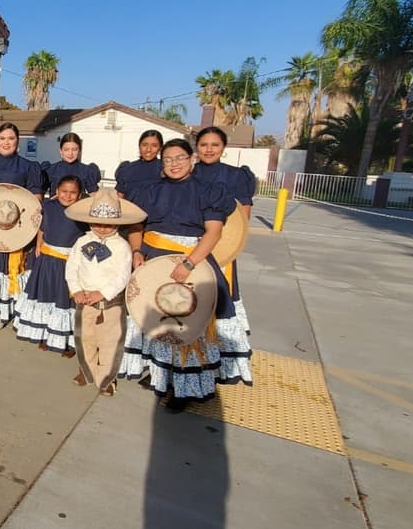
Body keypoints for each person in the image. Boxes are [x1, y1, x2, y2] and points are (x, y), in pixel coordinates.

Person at [119, 138, 252, 407]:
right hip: (154, 260)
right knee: (157, 317)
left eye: (179, 158)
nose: (174, 164)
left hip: (193, 260)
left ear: (191, 159)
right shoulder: (148, 190)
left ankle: (187, 388)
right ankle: (162, 374)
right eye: (168, 160)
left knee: (188, 321)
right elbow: (136, 228)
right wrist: (136, 252)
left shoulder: (208, 190)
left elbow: (213, 232)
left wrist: (189, 263)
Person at [64, 189, 143, 396]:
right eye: (97, 223)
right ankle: (87, 371)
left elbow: (123, 276)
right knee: (85, 338)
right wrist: (76, 290)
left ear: (117, 223)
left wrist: (104, 293)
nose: (102, 228)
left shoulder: (122, 246)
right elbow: (71, 268)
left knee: (110, 342)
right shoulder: (81, 242)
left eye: (108, 224)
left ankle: (107, 378)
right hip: (84, 300)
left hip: (111, 303)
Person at [0, 122, 47, 330]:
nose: (7, 142)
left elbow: (36, 197)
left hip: (14, 225)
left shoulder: (28, 167)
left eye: (11, 139)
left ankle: (4, 311)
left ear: (18, 142)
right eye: (3, 138)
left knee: (6, 268)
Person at [13, 175, 87, 356]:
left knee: (65, 300)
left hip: (69, 262)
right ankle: (46, 334)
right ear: (56, 192)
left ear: (79, 195)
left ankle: (68, 341)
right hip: (47, 259)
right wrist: (39, 245)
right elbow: (42, 228)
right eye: (64, 192)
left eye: (73, 193)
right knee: (47, 297)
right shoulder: (48, 207)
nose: (68, 196)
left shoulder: (82, 212)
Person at [191, 126, 255, 333]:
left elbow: (243, 215)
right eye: (204, 145)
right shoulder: (188, 172)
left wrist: (226, 241)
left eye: (215, 145)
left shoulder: (235, 175)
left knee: (219, 293)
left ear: (223, 147)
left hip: (222, 244)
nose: (209, 150)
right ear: (196, 147)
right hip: (189, 244)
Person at [114, 129, 164, 199]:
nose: (148, 149)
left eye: (154, 146)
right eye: (144, 145)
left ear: (160, 148)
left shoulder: (165, 168)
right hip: (129, 209)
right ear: (139, 146)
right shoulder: (127, 169)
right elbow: (120, 199)